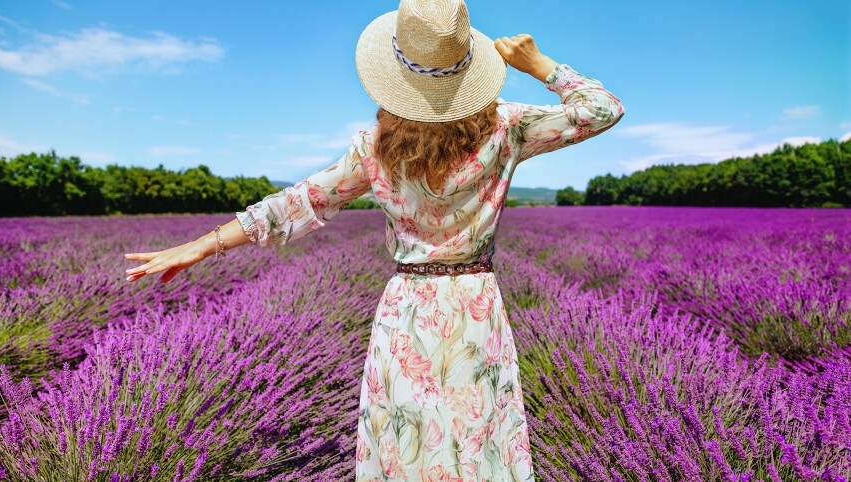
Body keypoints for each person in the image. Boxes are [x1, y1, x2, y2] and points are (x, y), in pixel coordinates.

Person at [124, 0, 624, 479]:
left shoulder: (374, 148)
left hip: (406, 309)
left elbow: (297, 203)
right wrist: (540, 65)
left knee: (404, 444)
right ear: (469, 70)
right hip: (475, 307)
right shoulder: (506, 128)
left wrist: (203, 244)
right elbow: (602, 108)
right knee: (478, 442)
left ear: (396, 74)